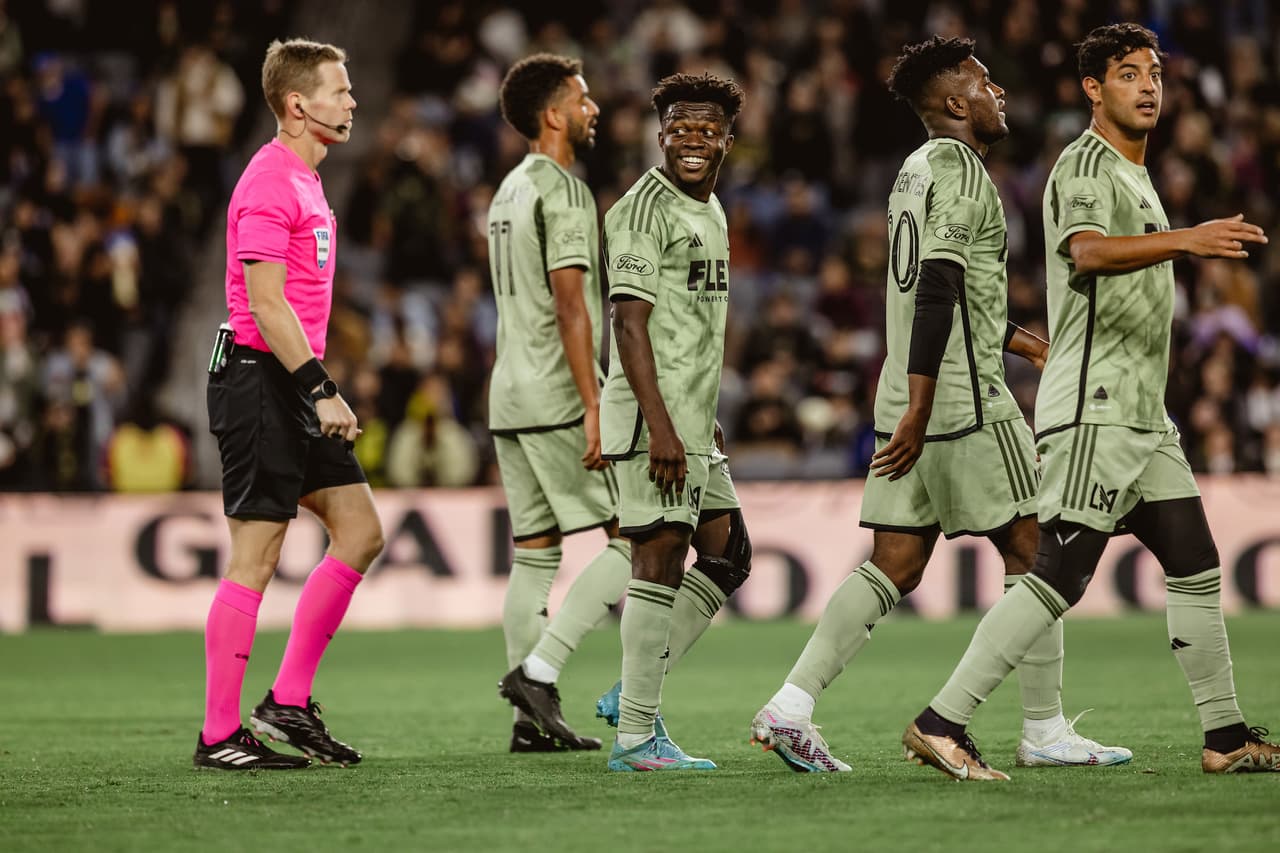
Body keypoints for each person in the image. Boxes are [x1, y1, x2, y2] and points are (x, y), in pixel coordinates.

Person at [903, 23, 1278, 781]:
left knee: (1196, 564)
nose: (1148, 86)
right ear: (1092, 90)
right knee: (1060, 572)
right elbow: (1087, 251)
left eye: (1154, 74)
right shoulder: (1085, 163)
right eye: (1128, 74)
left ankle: (1226, 735)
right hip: (1094, 407)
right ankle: (941, 722)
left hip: (1144, 414)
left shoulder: (1137, 174)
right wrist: (1187, 239)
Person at [750, 36, 1130, 773]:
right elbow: (937, 287)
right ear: (956, 101)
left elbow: (952, 295)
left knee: (894, 563)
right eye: (985, 83)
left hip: (906, 388)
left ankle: (789, 705)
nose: (999, 93)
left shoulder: (915, 168)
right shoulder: (960, 170)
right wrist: (926, 408)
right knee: (1039, 551)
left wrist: (1030, 347)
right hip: (958, 398)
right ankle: (1043, 729)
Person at [194, 38, 382, 770]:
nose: (352, 101)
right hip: (258, 379)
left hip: (289, 381)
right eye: (340, 90)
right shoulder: (271, 180)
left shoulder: (306, 179)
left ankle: (288, 703)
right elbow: (266, 304)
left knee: (359, 530)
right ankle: (218, 735)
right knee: (257, 554)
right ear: (298, 104)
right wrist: (321, 389)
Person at [600, 72, 752, 772]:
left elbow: (690, 325)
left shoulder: (711, 208)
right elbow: (629, 326)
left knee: (729, 555)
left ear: (727, 140)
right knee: (658, 560)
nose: (693, 139)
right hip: (651, 422)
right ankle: (635, 736)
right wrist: (661, 426)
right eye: (680, 128)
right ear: (660, 135)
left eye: (707, 129)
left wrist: (699, 418)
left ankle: (634, 688)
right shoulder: (641, 211)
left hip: (691, 422)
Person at [482, 53, 629, 752]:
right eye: (582, 98)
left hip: (508, 393)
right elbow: (571, 306)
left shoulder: (507, 190)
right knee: (635, 534)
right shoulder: (564, 191)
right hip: (556, 394)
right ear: (553, 115)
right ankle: (538, 673)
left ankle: (528, 724)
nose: (592, 108)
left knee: (535, 554)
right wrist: (594, 403)